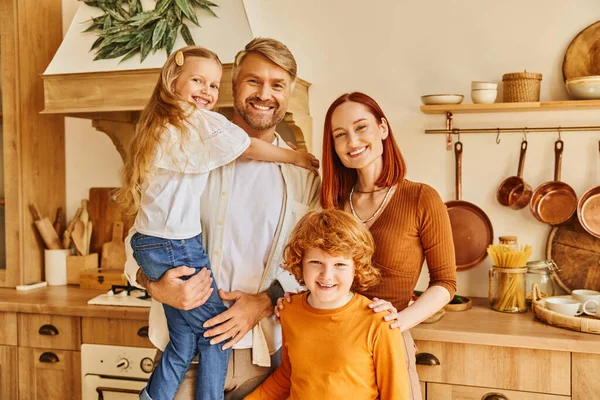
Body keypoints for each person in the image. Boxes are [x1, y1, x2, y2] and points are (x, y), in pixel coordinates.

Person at [117, 46, 318, 400]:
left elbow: (310, 262)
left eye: (277, 84)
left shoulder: (306, 175)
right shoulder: (184, 147)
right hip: (183, 355)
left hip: (262, 358)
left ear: (288, 92)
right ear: (234, 85)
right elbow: (140, 236)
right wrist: (154, 285)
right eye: (253, 81)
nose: (264, 94)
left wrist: (265, 301)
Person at [277, 92, 457, 400]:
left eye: (361, 127)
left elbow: (446, 283)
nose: (352, 141)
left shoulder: (421, 198)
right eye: (340, 135)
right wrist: (295, 302)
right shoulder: (330, 203)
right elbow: (321, 271)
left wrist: (399, 322)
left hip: (387, 345)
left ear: (383, 129)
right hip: (332, 348)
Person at [245, 209, 410, 400]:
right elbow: (289, 375)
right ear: (300, 263)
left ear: (356, 267)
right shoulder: (289, 311)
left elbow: (396, 394)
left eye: (339, 264)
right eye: (316, 262)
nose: (327, 275)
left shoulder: (379, 322)